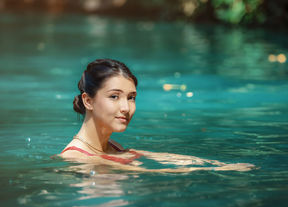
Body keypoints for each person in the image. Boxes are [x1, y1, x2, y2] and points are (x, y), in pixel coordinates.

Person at [60, 59, 255, 173]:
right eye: (114, 96)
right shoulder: (75, 157)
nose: (126, 108)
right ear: (88, 101)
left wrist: (218, 163)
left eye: (131, 98)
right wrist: (215, 171)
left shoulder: (113, 147)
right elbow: (152, 171)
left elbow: (149, 156)